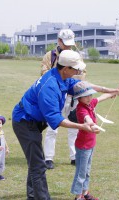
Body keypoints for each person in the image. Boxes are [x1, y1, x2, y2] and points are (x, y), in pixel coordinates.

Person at [12, 50, 119, 200]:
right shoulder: (50, 86)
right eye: (76, 69)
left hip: (34, 121)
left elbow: (84, 85)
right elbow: (57, 119)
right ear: (66, 69)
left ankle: (32, 197)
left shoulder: (62, 78)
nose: (79, 71)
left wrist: (109, 90)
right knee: (38, 166)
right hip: (24, 122)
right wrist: (82, 127)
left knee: (35, 163)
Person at [70, 81, 119, 200]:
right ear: (79, 98)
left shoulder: (90, 104)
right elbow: (87, 119)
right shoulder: (81, 109)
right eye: (86, 96)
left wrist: (115, 91)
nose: (89, 98)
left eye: (90, 95)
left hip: (90, 145)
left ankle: (85, 193)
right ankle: (78, 197)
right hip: (83, 146)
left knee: (87, 170)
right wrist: (93, 126)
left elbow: (101, 97)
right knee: (81, 172)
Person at [41, 29, 84, 169]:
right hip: (55, 96)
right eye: (66, 43)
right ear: (59, 41)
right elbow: (44, 74)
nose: (68, 46)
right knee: (52, 127)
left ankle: (74, 156)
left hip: (73, 96)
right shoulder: (50, 56)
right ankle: (48, 158)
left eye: (70, 44)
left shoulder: (77, 55)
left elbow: (82, 75)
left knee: (74, 128)